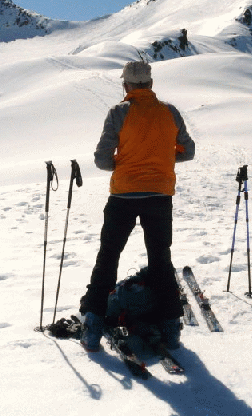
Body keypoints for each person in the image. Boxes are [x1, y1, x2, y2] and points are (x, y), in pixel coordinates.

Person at [79, 61, 195, 352]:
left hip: (123, 195)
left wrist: (128, 165)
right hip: (159, 195)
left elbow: (102, 159)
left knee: (108, 257)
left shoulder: (119, 113)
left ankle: (92, 328)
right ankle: (171, 330)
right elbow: (188, 150)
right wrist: (161, 162)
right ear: (151, 84)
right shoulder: (170, 112)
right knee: (160, 259)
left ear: (126, 86)